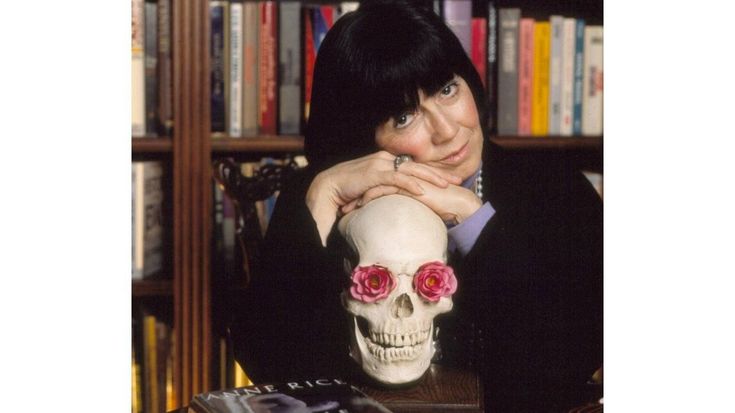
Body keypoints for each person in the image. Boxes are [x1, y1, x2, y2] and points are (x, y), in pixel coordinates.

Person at [230, 1, 603, 411]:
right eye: (405, 117)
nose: (448, 130)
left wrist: (475, 223)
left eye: (447, 89)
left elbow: (569, 364)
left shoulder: (557, 189)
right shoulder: (315, 193)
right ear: (361, 135)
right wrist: (323, 198)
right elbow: (270, 368)